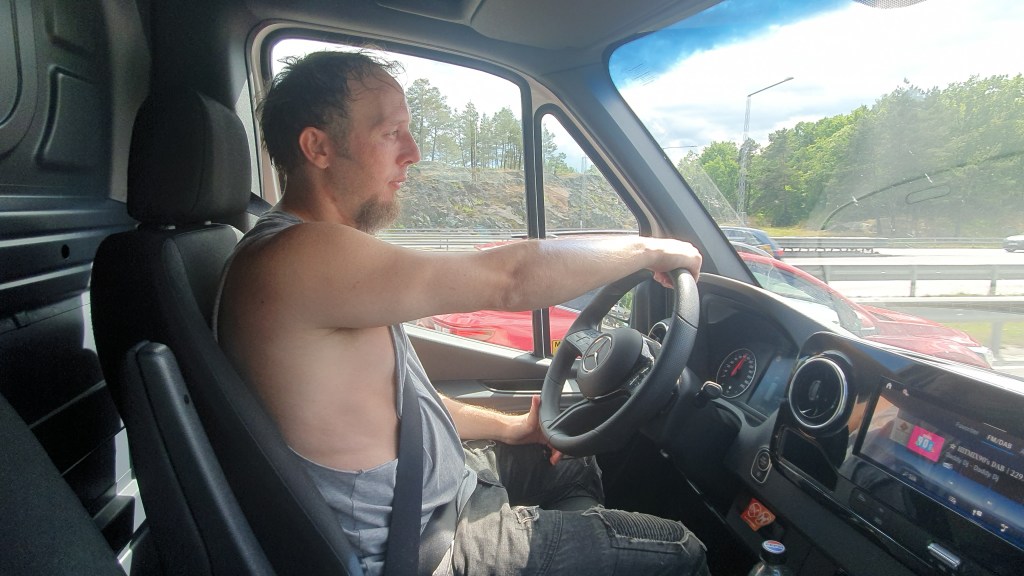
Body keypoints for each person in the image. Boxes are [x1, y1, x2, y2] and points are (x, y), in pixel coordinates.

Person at [216, 50, 710, 576]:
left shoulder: (305, 256)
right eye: (391, 133)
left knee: (571, 461)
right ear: (318, 147)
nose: (413, 152)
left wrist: (513, 428)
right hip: (426, 546)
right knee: (681, 549)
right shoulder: (299, 257)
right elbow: (510, 279)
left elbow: (404, 404)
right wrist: (651, 250)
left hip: (442, 491)